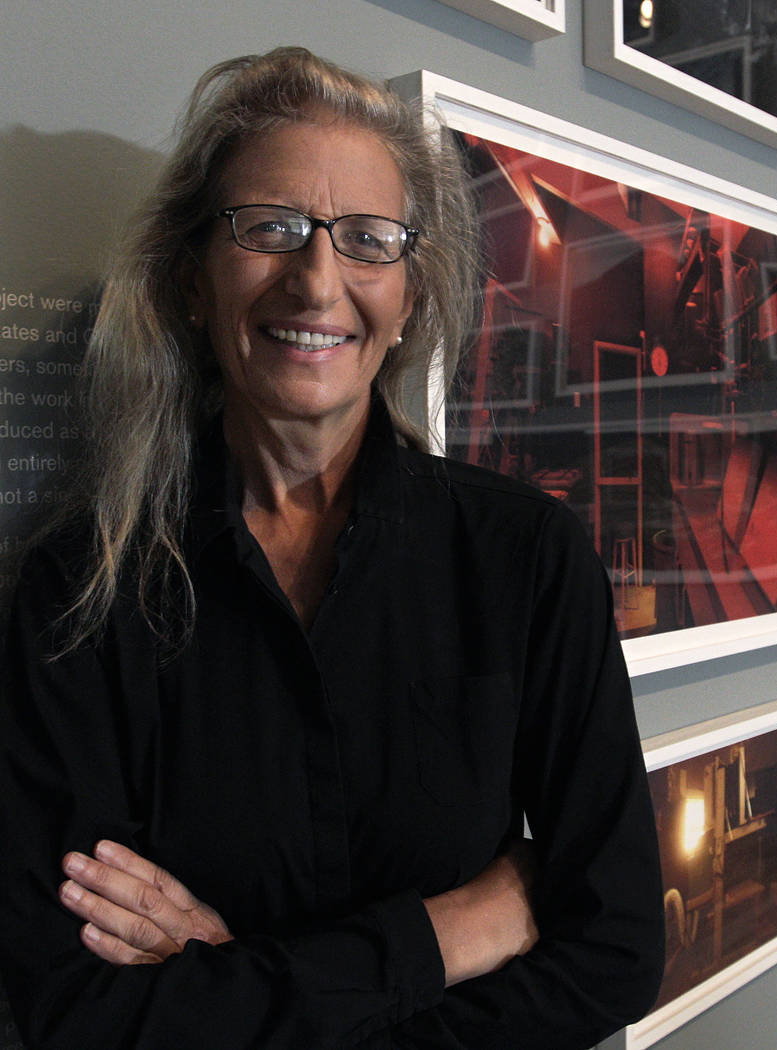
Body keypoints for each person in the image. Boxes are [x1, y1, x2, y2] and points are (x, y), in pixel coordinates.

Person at [0, 46, 664, 1049]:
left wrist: (229, 988)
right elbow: (75, 1009)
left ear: (406, 299)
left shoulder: (526, 559)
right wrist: (443, 936)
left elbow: (612, 952)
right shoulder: (80, 590)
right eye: (268, 229)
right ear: (191, 280)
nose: (316, 281)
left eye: (367, 240)